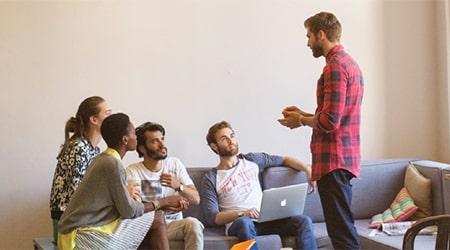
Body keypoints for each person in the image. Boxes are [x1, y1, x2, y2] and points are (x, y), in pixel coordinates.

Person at [278, 11, 364, 250]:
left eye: (309, 36)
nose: (307, 43)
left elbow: (329, 121)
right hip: (343, 159)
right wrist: (302, 116)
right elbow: (335, 115)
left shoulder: (335, 67)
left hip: (333, 161)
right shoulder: (351, 64)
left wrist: (302, 119)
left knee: (341, 234)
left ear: (321, 34)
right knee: (343, 229)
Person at [57, 113, 189, 250]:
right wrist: (164, 202)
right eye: (133, 133)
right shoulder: (112, 164)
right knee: (157, 218)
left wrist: (127, 194)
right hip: (83, 236)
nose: (137, 137)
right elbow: (129, 211)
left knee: (150, 221)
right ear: (125, 140)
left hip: (77, 230)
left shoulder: (104, 158)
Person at [201, 120, 317, 250]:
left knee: (303, 221)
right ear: (214, 146)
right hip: (240, 223)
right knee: (245, 223)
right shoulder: (211, 178)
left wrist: (307, 170)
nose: (230, 141)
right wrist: (242, 214)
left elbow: (285, 159)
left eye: (232, 136)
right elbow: (213, 217)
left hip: (266, 220)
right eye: (224, 139)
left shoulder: (252, 160)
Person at [126, 122, 204, 250]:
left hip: (174, 225)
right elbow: (137, 209)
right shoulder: (133, 171)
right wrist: (164, 204)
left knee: (194, 223)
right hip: (151, 228)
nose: (162, 144)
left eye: (162, 139)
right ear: (142, 149)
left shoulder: (174, 164)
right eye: (155, 141)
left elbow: (196, 198)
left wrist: (179, 186)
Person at [49, 96, 111, 244]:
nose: (111, 118)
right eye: (107, 113)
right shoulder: (79, 147)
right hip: (68, 217)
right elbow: (79, 191)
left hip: (81, 214)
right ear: (94, 120)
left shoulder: (94, 150)